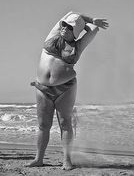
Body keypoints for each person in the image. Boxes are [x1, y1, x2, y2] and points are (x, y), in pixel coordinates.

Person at [27, 11, 108, 170]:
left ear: (76, 32)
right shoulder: (53, 35)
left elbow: (94, 30)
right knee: (43, 125)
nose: (64, 28)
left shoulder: (78, 45)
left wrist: (88, 24)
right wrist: (88, 19)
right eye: (64, 25)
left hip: (65, 89)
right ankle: (39, 158)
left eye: (69, 27)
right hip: (43, 88)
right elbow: (70, 13)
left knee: (65, 124)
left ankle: (67, 160)